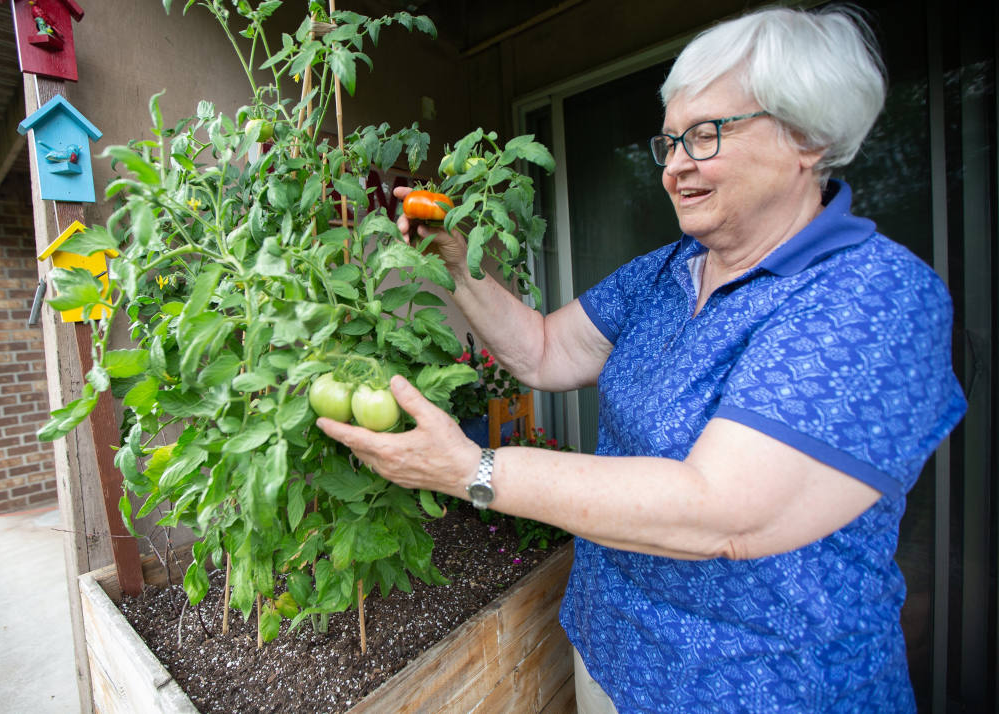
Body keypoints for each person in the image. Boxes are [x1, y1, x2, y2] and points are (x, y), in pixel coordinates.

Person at [317, 6, 967, 712]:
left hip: (763, 688)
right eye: (670, 143)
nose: (676, 167)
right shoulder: (669, 271)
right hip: (610, 653)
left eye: (706, 135)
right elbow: (541, 350)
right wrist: (454, 256)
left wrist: (471, 470)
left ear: (807, 139)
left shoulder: (870, 295)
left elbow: (725, 514)